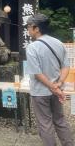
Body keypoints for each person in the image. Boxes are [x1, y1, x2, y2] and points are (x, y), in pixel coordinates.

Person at [26, 14, 73, 146]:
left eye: (29, 27)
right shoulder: (58, 43)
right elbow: (65, 66)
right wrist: (59, 84)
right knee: (60, 120)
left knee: (45, 123)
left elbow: (37, 73)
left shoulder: (32, 47)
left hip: (40, 93)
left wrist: (53, 87)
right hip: (56, 91)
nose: (28, 30)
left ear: (36, 28)